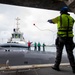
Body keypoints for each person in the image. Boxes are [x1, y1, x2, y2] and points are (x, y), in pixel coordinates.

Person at [48, 6, 75, 73]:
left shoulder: (59, 18)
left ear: (61, 12)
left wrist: (49, 21)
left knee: (59, 52)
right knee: (70, 53)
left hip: (61, 38)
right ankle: (74, 68)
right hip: (69, 38)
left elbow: (52, 21)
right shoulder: (72, 19)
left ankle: (56, 66)